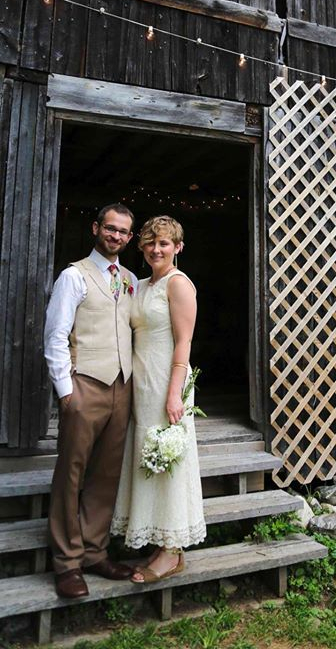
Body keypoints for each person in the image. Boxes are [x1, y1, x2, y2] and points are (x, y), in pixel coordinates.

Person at [44, 203, 138, 599]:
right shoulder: (74, 276)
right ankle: (66, 562)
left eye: (123, 232)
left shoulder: (132, 278)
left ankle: (95, 552)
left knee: (106, 474)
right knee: (72, 473)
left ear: (129, 238)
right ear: (96, 228)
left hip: (123, 387)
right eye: (110, 228)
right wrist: (67, 393)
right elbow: (55, 336)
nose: (116, 236)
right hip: (85, 387)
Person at [112, 215, 206, 582]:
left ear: (178, 247)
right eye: (150, 242)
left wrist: (174, 394)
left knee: (169, 463)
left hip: (168, 382)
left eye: (164, 243)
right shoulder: (140, 284)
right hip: (143, 383)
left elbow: (183, 342)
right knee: (147, 458)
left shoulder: (178, 284)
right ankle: (160, 541)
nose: (156, 249)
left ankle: (171, 553)